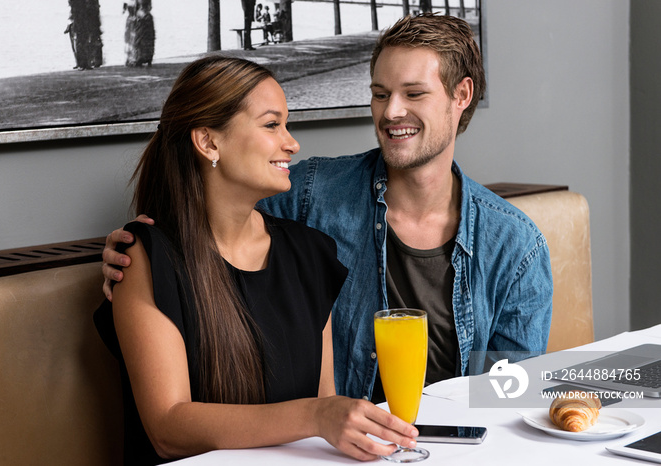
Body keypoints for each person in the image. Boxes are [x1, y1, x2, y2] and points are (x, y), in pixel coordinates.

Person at [102, 14, 553, 403]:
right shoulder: (308, 194)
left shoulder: (514, 244)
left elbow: (503, 397)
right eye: (380, 93)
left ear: (461, 95)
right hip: (328, 448)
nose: (391, 111)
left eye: (413, 94)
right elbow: (205, 212)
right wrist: (134, 250)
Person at [93, 56, 419, 465]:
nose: (292, 143)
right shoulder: (146, 257)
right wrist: (317, 416)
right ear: (209, 142)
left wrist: (328, 417)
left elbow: (324, 414)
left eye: (286, 124)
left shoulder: (310, 255)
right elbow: (167, 429)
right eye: (271, 124)